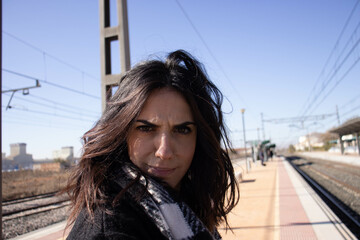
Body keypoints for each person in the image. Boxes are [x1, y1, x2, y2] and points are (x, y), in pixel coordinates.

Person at [65, 50, 239, 240]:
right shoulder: (112, 229)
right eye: (146, 128)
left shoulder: (186, 204)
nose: (164, 152)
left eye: (182, 130)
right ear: (122, 133)